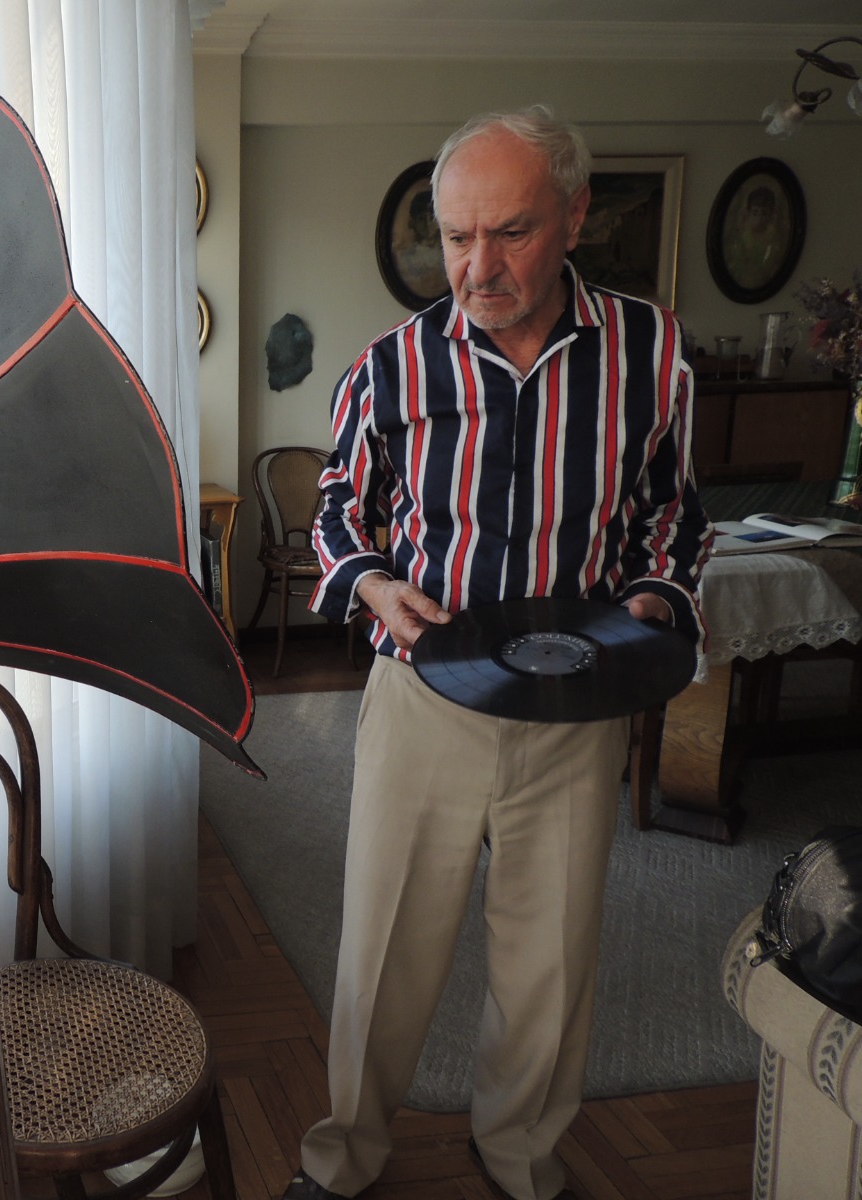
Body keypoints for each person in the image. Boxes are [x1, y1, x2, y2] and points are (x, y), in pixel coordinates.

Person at [280, 107, 710, 1200]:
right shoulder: (390, 367)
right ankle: (345, 1158)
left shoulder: (651, 352)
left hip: (580, 707)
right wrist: (372, 578)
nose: (477, 267)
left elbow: (671, 511)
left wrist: (655, 601)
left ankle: (516, 1150)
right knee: (385, 951)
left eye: (510, 233)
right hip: (425, 698)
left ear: (574, 217)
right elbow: (338, 509)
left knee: (549, 960)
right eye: (457, 237)